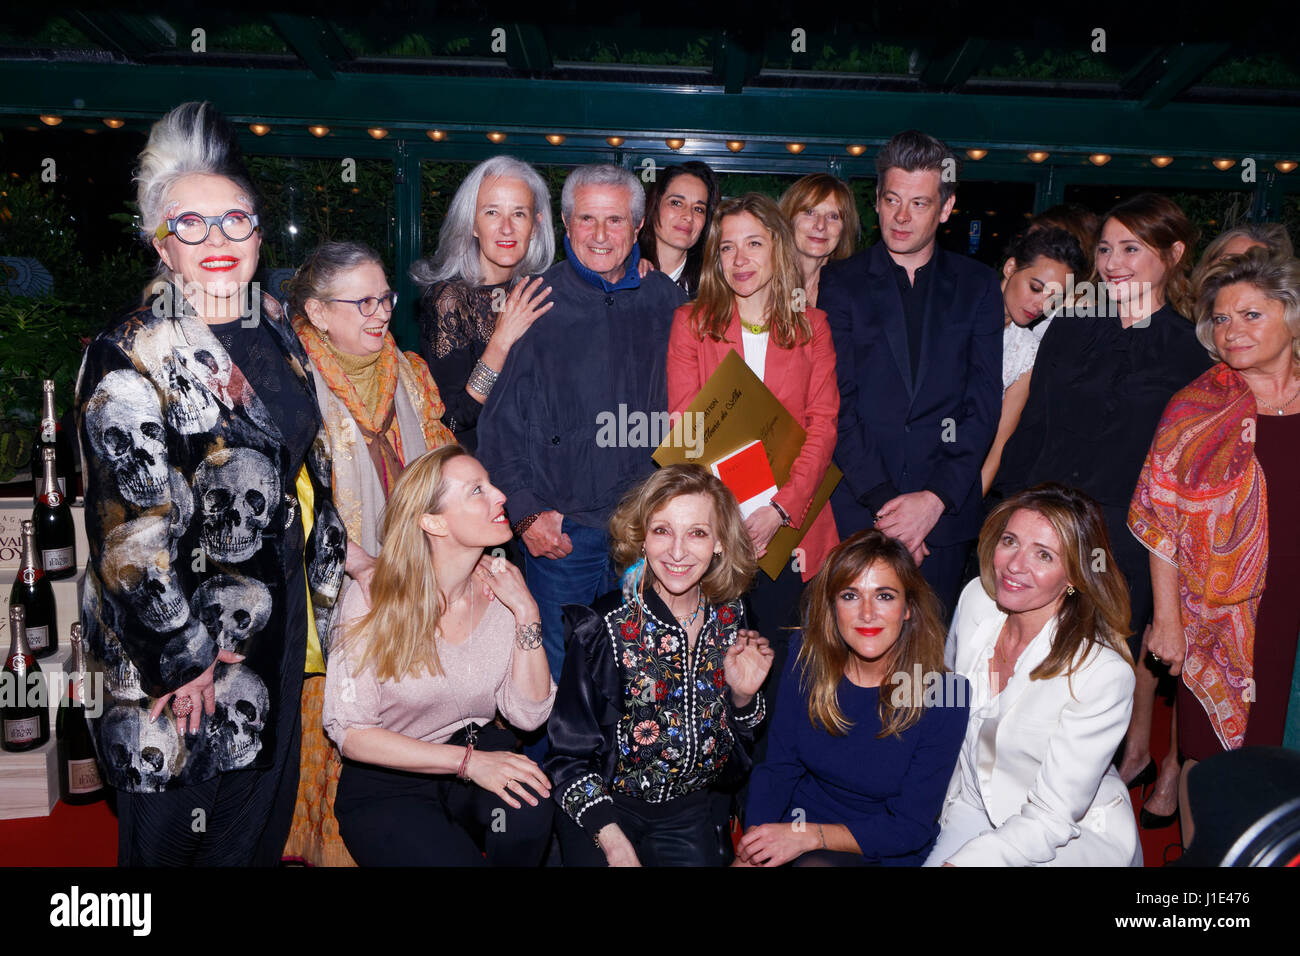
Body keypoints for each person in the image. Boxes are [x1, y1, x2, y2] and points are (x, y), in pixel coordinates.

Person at [75, 101, 346, 866]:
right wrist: (183, 658)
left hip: (275, 628)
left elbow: (304, 465)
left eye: (235, 221)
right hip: (178, 654)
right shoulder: (128, 352)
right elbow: (128, 535)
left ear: (260, 235)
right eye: (190, 224)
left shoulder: (275, 327)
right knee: (170, 848)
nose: (217, 240)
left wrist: (335, 565)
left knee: (250, 835)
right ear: (161, 243)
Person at [992, 193, 1212, 825]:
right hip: (1042, 523)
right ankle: (1002, 812)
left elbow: (1180, 475)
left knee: (1090, 689)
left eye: (1131, 249)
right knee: (1019, 671)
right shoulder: (1071, 324)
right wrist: (1007, 511)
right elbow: (1033, 425)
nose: (1113, 263)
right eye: (1107, 248)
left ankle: (1066, 828)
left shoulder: (1193, 354)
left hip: (1122, 541)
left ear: (1172, 255)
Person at [478, 164, 688, 698]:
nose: (599, 235)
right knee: (556, 680)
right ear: (567, 223)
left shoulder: (669, 303)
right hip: (562, 534)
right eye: (587, 219)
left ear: (638, 226)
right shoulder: (536, 299)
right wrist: (526, 514)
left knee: (644, 680)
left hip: (647, 535)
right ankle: (555, 784)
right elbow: (498, 426)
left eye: (614, 220)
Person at [283, 240, 457, 866]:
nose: (381, 312)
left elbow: (442, 464)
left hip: (410, 577)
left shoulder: (409, 370)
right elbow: (281, 493)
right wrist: (353, 558)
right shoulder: (288, 379)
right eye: (362, 302)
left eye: (384, 297)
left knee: (400, 718)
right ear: (318, 312)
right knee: (333, 722)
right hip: (326, 588)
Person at [1118, 224, 1297, 833]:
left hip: (1294, 611)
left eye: (1250, 314)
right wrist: (1167, 621)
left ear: (1292, 319)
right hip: (1215, 618)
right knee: (1209, 762)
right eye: (1221, 320)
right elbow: (1156, 517)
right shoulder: (1196, 407)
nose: (1232, 331)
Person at [323, 446, 556, 866]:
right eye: (477, 491)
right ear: (433, 521)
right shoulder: (373, 597)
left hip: (474, 756)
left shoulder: (501, 590)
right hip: (391, 782)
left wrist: (527, 612)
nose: (500, 495)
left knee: (529, 808)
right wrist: (467, 763)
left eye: (491, 484)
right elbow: (352, 733)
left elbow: (528, 716)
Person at [545, 464, 774, 866]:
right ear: (642, 538)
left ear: (719, 543)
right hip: (602, 809)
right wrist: (613, 842)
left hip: (688, 814)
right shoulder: (604, 627)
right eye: (662, 530)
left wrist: (742, 698)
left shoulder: (733, 617)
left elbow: (738, 754)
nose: (678, 551)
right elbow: (567, 758)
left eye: (697, 533)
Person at [822, 129, 1003, 619]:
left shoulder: (980, 286)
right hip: (861, 511)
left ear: (945, 209)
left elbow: (983, 405)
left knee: (928, 672)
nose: (902, 217)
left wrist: (935, 500)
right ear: (877, 201)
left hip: (943, 521)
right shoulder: (839, 283)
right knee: (850, 662)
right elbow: (836, 403)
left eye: (919, 203)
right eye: (892, 200)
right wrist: (889, 510)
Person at [926, 484, 1141, 867]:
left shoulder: (1102, 675)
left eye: (1043, 554)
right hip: (972, 807)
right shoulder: (977, 600)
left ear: (1074, 574)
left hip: (1061, 839)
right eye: (1010, 541)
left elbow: (1051, 816)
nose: (1014, 565)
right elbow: (948, 705)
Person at [667, 192, 840, 647]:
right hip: (718, 525)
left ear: (778, 248)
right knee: (716, 663)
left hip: (792, 525)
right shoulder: (692, 323)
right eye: (726, 247)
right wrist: (733, 517)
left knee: (786, 663)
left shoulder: (812, 326)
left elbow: (822, 427)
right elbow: (686, 426)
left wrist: (777, 511)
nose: (739, 259)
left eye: (753, 244)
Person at [738, 529, 968, 867]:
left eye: (885, 596)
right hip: (797, 824)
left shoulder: (946, 694)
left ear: (908, 608)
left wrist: (809, 836)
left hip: (879, 843)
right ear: (832, 606)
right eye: (850, 595)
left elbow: (910, 825)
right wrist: (755, 848)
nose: (867, 614)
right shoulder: (806, 658)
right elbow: (777, 770)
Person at [412, 156, 556, 452]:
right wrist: (500, 342)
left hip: (538, 465)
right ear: (472, 225)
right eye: (492, 212)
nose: (506, 228)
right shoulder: (450, 299)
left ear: (535, 225)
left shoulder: (539, 291)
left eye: (519, 214)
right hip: (480, 473)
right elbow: (452, 421)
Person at [980, 227, 1088, 495]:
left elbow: (998, 446)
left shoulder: (1027, 351)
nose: (1040, 304)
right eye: (1036, 288)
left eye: (1054, 298)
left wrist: (958, 511)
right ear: (1010, 267)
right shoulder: (954, 315)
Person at [636, 161, 720, 295]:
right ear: (654, 205)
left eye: (698, 209)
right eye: (676, 203)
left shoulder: (713, 287)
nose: (688, 216)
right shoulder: (621, 268)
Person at [777, 173, 860, 309]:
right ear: (788, 219)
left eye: (833, 216)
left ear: (844, 229)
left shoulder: (852, 292)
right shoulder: (763, 284)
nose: (821, 225)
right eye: (810, 212)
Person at [1188, 222, 1294, 295]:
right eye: (1229, 260)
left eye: (1252, 267)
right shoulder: (1176, 317)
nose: (1237, 272)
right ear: (1207, 264)